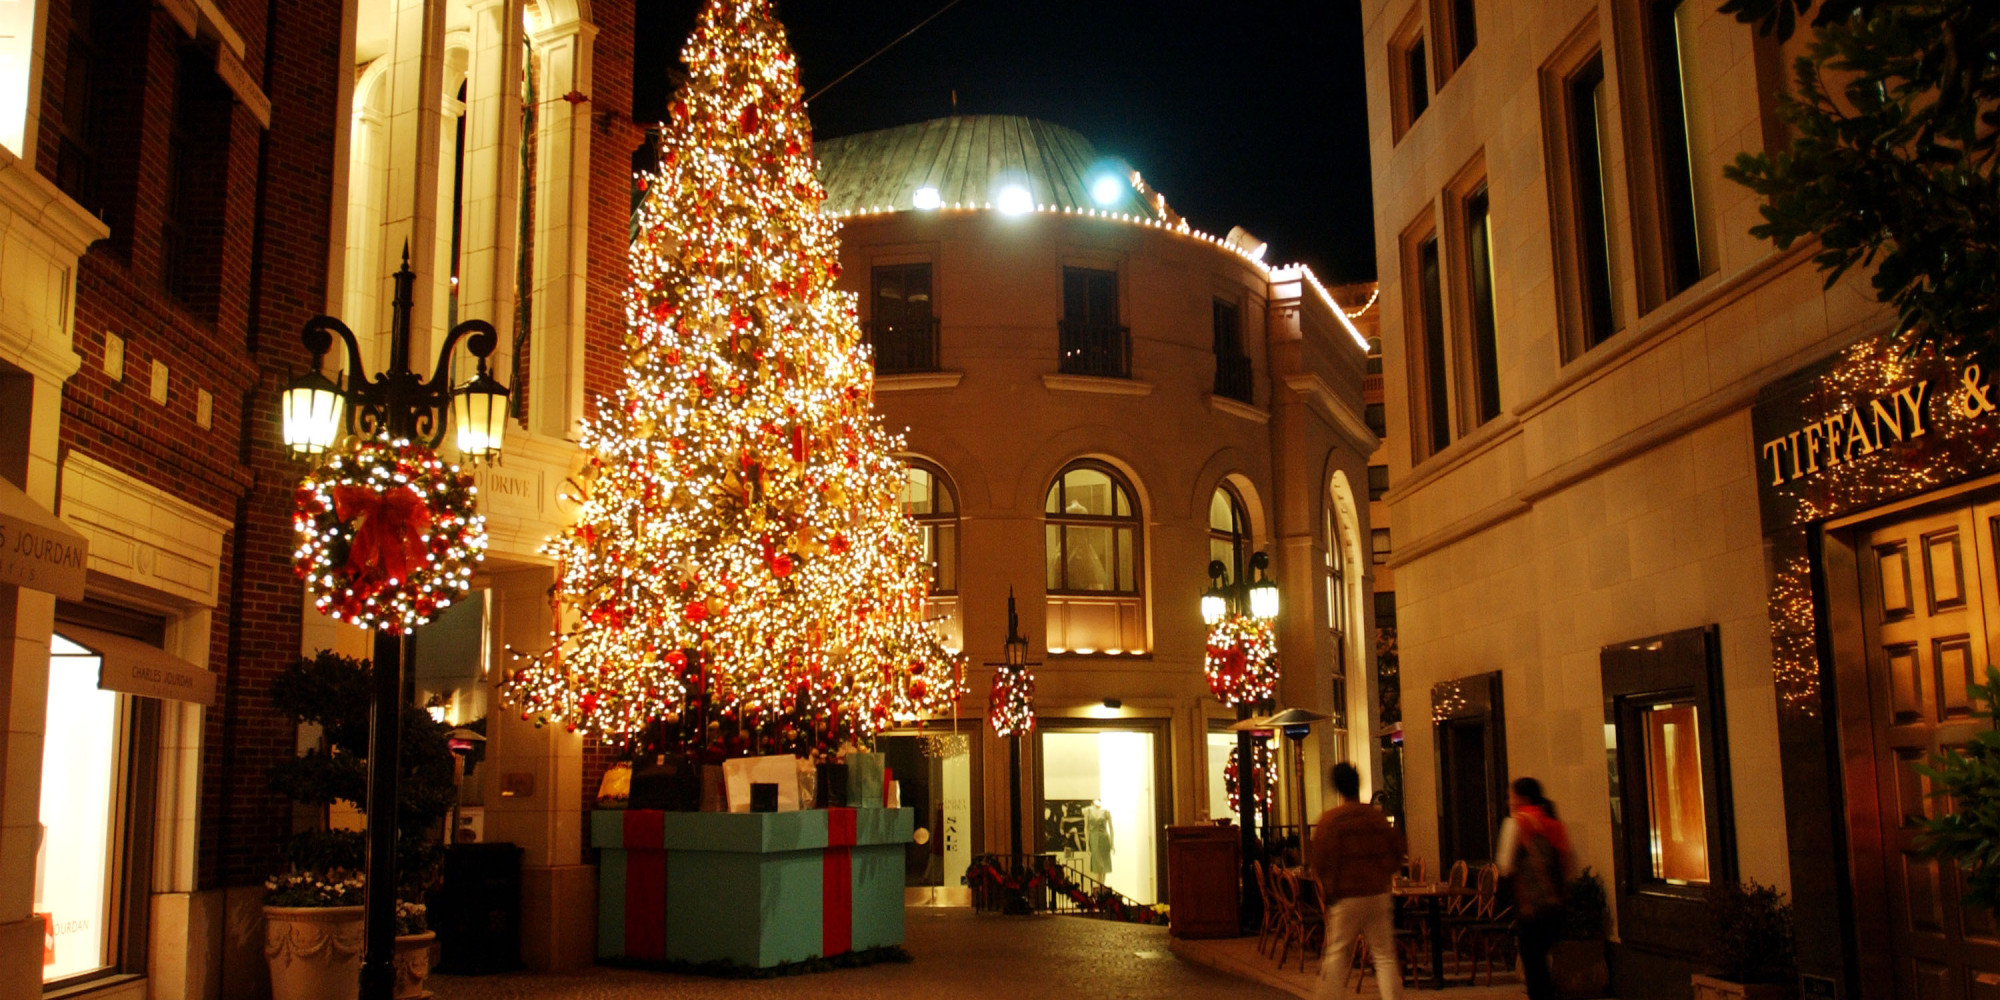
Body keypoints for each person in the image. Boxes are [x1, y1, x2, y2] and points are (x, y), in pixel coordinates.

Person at [1310, 762, 1406, 1000]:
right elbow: (1396, 853)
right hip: (1377, 892)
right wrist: (1382, 873)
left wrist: (1330, 886)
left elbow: (1320, 860)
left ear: (1337, 789)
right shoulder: (1376, 819)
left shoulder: (1331, 821)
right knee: (1384, 955)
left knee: (1338, 952)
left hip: (1346, 896)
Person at [1496, 776, 1573, 1000]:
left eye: (1511, 796)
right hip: (1555, 904)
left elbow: (1505, 866)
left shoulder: (1516, 824)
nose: (1508, 801)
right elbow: (1567, 866)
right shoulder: (1555, 824)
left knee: (1533, 965)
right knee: (1542, 962)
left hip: (1530, 906)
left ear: (1522, 798)